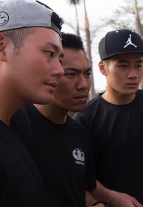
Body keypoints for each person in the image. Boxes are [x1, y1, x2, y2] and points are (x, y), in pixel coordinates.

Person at [74, 29, 143, 207]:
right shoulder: (85, 118)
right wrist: (112, 197)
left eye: (138, 65)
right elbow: (83, 178)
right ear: (103, 68)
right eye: (123, 65)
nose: (133, 74)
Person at [10, 33, 107, 207]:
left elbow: (80, 191)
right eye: (71, 74)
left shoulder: (80, 134)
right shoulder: (13, 125)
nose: (83, 84)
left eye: (87, 73)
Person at [0, 1, 63, 206]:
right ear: (1, 47)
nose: (60, 70)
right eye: (49, 54)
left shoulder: (14, 130)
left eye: (60, 58)